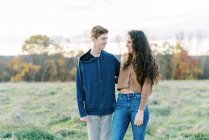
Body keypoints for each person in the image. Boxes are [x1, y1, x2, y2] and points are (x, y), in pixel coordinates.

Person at [111, 30, 159, 140]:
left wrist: (141, 111)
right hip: (121, 102)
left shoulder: (147, 61)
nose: (126, 45)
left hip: (137, 103)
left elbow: (146, 88)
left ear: (137, 42)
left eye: (129, 42)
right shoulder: (124, 57)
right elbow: (122, 79)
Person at [76, 25, 120, 140]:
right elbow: (79, 87)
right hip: (91, 110)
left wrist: (113, 81)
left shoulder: (110, 59)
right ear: (93, 39)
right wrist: (82, 111)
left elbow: (123, 76)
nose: (106, 41)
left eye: (106, 38)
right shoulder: (83, 62)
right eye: (103, 38)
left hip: (108, 108)